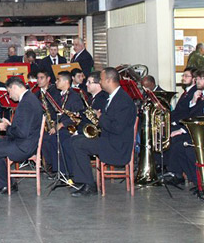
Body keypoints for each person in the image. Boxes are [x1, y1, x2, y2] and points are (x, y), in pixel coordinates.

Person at [65, 67, 137, 197]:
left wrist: (100, 117)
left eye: (102, 80)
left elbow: (117, 128)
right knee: (75, 140)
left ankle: (89, 185)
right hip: (109, 139)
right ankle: (83, 181)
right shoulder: (115, 97)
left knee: (78, 144)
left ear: (109, 80)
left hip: (116, 146)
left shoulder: (123, 100)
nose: (100, 82)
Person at [0, 77, 44, 194]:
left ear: (15, 87)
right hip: (24, 141)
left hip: (24, 146)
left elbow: (22, 133)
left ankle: (5, 185)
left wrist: (6, 127)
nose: (9, 96)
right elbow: (24, 127)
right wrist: (10, 124)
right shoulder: (29, 99)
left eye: (9, 91)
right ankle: (8, 182)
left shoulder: (26, 103)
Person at [41, 71, 84, 176]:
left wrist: (61, 125)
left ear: (66, 81)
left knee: (56, 138)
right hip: (60, 126)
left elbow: (76, 116)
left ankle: (65, 171)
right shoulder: (59, 95)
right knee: (46, 137)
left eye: (58, 80)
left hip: (70, 127)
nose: (56, 82)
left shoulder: (74, 96)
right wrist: (54, 125)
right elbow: (57, 113)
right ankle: (55, 167)